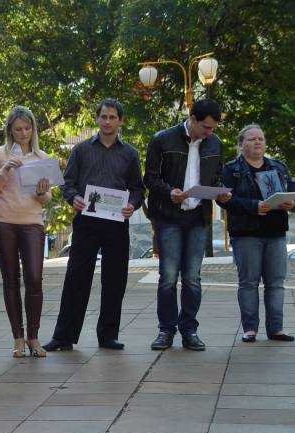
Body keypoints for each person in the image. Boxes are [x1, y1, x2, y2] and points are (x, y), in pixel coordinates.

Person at [44, 99, 144, 352]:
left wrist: (132, 204)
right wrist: (74, 198)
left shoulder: (130, 154)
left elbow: (137, 189)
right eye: (104, 117)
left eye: (113, 117)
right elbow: (67, 183)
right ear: (97, 119)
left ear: (120, 121)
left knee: (115, 280)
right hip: (86, 222)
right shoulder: (81, 150)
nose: (107, 121)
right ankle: (64, 336)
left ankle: (108, 336)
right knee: (76, 278)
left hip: (116, 224)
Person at [144, 98, 232, 351]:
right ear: (192, 119)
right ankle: (166, 330)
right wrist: (169, 192)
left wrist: (221, 192)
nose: (209, 132)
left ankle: (189, 330)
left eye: (213, 128)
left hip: (198, 217)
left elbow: (216, 176)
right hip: (168, 216)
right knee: (168, 277)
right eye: (206, 127)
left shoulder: (215, 143)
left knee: (192, 277)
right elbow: (150, 178)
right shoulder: (162, 139)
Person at [0, 106, 52, 358]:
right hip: (3, 222)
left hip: (32, 222)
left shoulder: (41, 157)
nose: (23, 133)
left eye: (27, 128)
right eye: (18, 129)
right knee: (11, 280)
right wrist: (6, 170)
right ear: (10, 131)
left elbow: (46, 199)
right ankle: (18, 338)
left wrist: (41, 192)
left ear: (33, 129)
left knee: (34, 278)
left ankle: (34, 336)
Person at [219, 124, 294, 342]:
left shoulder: (278, 167)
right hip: (246, 233)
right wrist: (253, 206)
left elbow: (291, 191)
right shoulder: (231, 170)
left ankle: (276, 329)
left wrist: (291, 204)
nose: (257, 142)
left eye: (260, 138)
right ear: (241, 145)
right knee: (249, 282)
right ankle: (250, 329)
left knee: (276, 283)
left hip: (275, 232)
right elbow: (224, 200)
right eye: (251, 139)